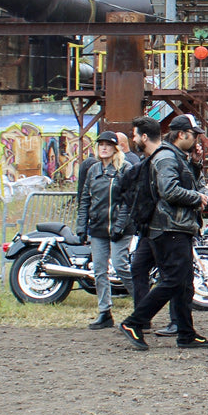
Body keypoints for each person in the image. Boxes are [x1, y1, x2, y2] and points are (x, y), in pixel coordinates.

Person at [118, 114, 208, 351]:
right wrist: (197, 197)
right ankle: (134, 322)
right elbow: (169, 190)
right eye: (194, 135)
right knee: (173, 280)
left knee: (183, 283)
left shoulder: (175, 157)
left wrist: (194, 164)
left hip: (173, 227)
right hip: (169, 228)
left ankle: (186, 334)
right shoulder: (166, 158)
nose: (196, 140)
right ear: (182, 134)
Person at [77, 133, 135, 329]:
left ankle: (143, 305)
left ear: (115, 148)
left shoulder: (125, 168)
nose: (104, 148)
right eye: (101, 144)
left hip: (121, 227)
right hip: (98, 227)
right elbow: (85, 199)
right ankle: (105, 312)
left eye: (108, 145)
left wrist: (120, 225)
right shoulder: (93, 170)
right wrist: (81, 226)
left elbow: (129, 200)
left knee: (121, 265)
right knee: (99, 270)